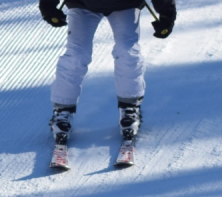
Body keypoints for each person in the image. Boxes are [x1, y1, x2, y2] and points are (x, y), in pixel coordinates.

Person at [39, 0, 175, 148]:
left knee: (127, 51)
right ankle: (62, 110)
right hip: (82, 4)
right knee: (77, 54)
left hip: (125, 4)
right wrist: (48, 6)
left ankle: (130, 107)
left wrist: (166, 14)